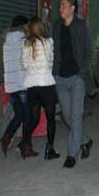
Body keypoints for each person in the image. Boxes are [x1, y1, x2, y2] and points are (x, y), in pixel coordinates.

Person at [53, 0, 93, 169]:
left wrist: (82, 71)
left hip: (77, 78)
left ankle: (72, 154)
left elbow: (89, 51)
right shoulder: (56, 27)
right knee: (67, 116)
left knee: (76, 116)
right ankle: (85, 141)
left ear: (72, 8)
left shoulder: (81, 26)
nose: (60, 8)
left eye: (63, 5)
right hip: (60, 78)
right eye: (60, 5)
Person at [21, 17, 60, 161]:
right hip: (46, 83)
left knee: (35, 118)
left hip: (32, 86)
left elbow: (24, 65)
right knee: (50, 119)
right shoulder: (48, 42)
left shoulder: (26, 44)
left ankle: (25, 142)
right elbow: (51, 61)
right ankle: (50, 150)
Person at [0, 15, 29, 157]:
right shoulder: (24, 42)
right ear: (23, 26)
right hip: (22, 84)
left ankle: (6, 138)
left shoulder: (6, 43)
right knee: (26, 116)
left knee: (19, 114)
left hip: (11, 85)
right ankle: (25, 146)